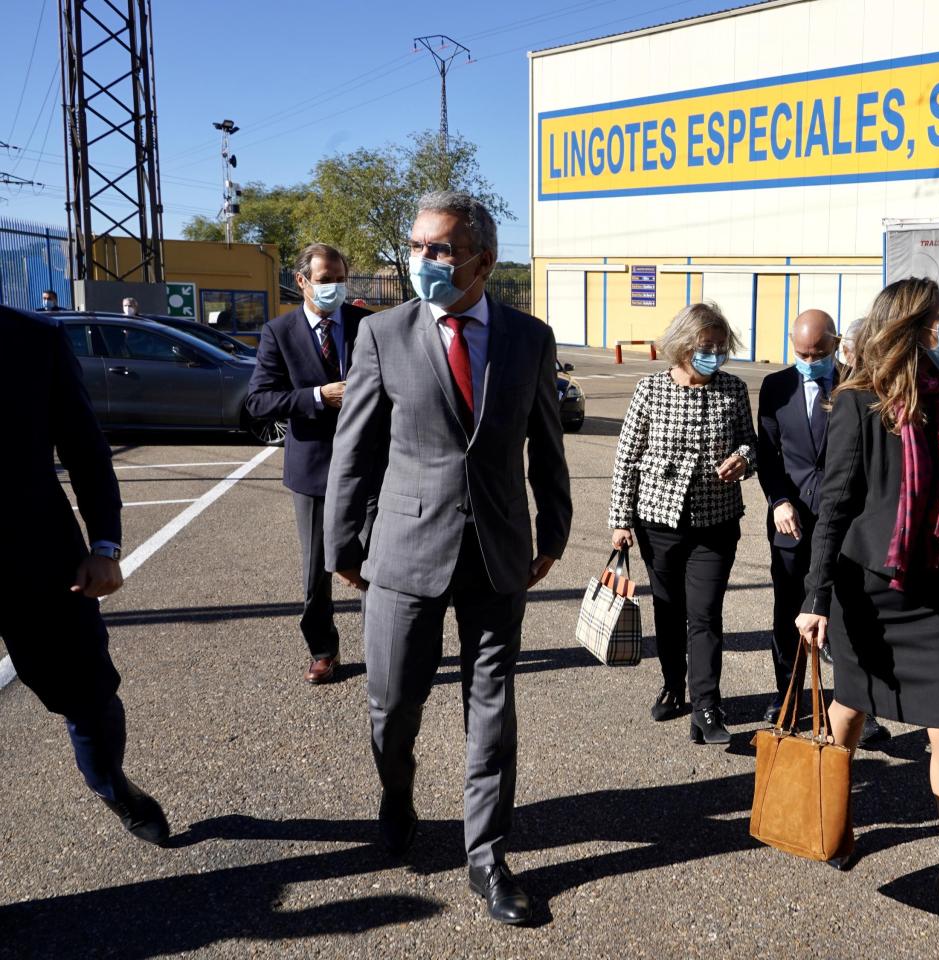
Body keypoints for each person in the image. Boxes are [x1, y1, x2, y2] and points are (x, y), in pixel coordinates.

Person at [323, 191, 573, 926]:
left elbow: (547, 445)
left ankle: (487, 855)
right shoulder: (384, 335)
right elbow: (357, 449)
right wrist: (345, 545)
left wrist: (552, 533)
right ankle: (396, 795)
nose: (423, 260)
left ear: (482, 261)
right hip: (402, 552)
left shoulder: (529, 337)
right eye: (418, 246)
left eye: (440, 250)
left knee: (492, 712)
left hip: (498, 554)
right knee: (394, 703)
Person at [796, 277, 939, 953]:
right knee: (846, 713)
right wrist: (814, 598)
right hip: (864, 591)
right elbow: (836, 507)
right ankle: (834, 820)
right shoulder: (857, 402)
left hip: (934, 591)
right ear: (910, 325)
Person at [0, 304, 169, 846]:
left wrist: (104, 545)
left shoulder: (32, 339)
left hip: (40, 563)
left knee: (89, 696)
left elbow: (85, 450)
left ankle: (112, 785)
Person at [608, 302, 758, 745]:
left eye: (719, 346)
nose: (713, 354)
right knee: (668, 612)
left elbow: (750, 443)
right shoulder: (650, 390)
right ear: (682, 345)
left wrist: (743, 459)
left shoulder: (732, 389)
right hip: (659, 523)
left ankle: (707, 705)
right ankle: (675, 687)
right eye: (704, 346)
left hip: (716, 523)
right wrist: (620, 520)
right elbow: (627, 458)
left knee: (705, 615)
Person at [755, 309, 887, 743]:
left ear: (835, 344)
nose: (809, 359)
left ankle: (856, 707)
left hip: (846, 524)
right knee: (789, 611)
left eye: (817, 352)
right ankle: (786, 698)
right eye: (800, 352)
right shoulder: (776, 388)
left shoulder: (859, 384)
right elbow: (769, 456)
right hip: (790, 522)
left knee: (851, 614)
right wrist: (778, 501)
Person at [245, 243, 373, 683]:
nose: (334, 287)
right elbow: (259, 400)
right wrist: (319, 397)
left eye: (340, 279)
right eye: (325, 280)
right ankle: (323, 648)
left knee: (375, 562)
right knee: (317, 570)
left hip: (372, 465)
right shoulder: (278, 333)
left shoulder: (366, 324)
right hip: (314, 470)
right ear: (301, 281)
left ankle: (385, 647)